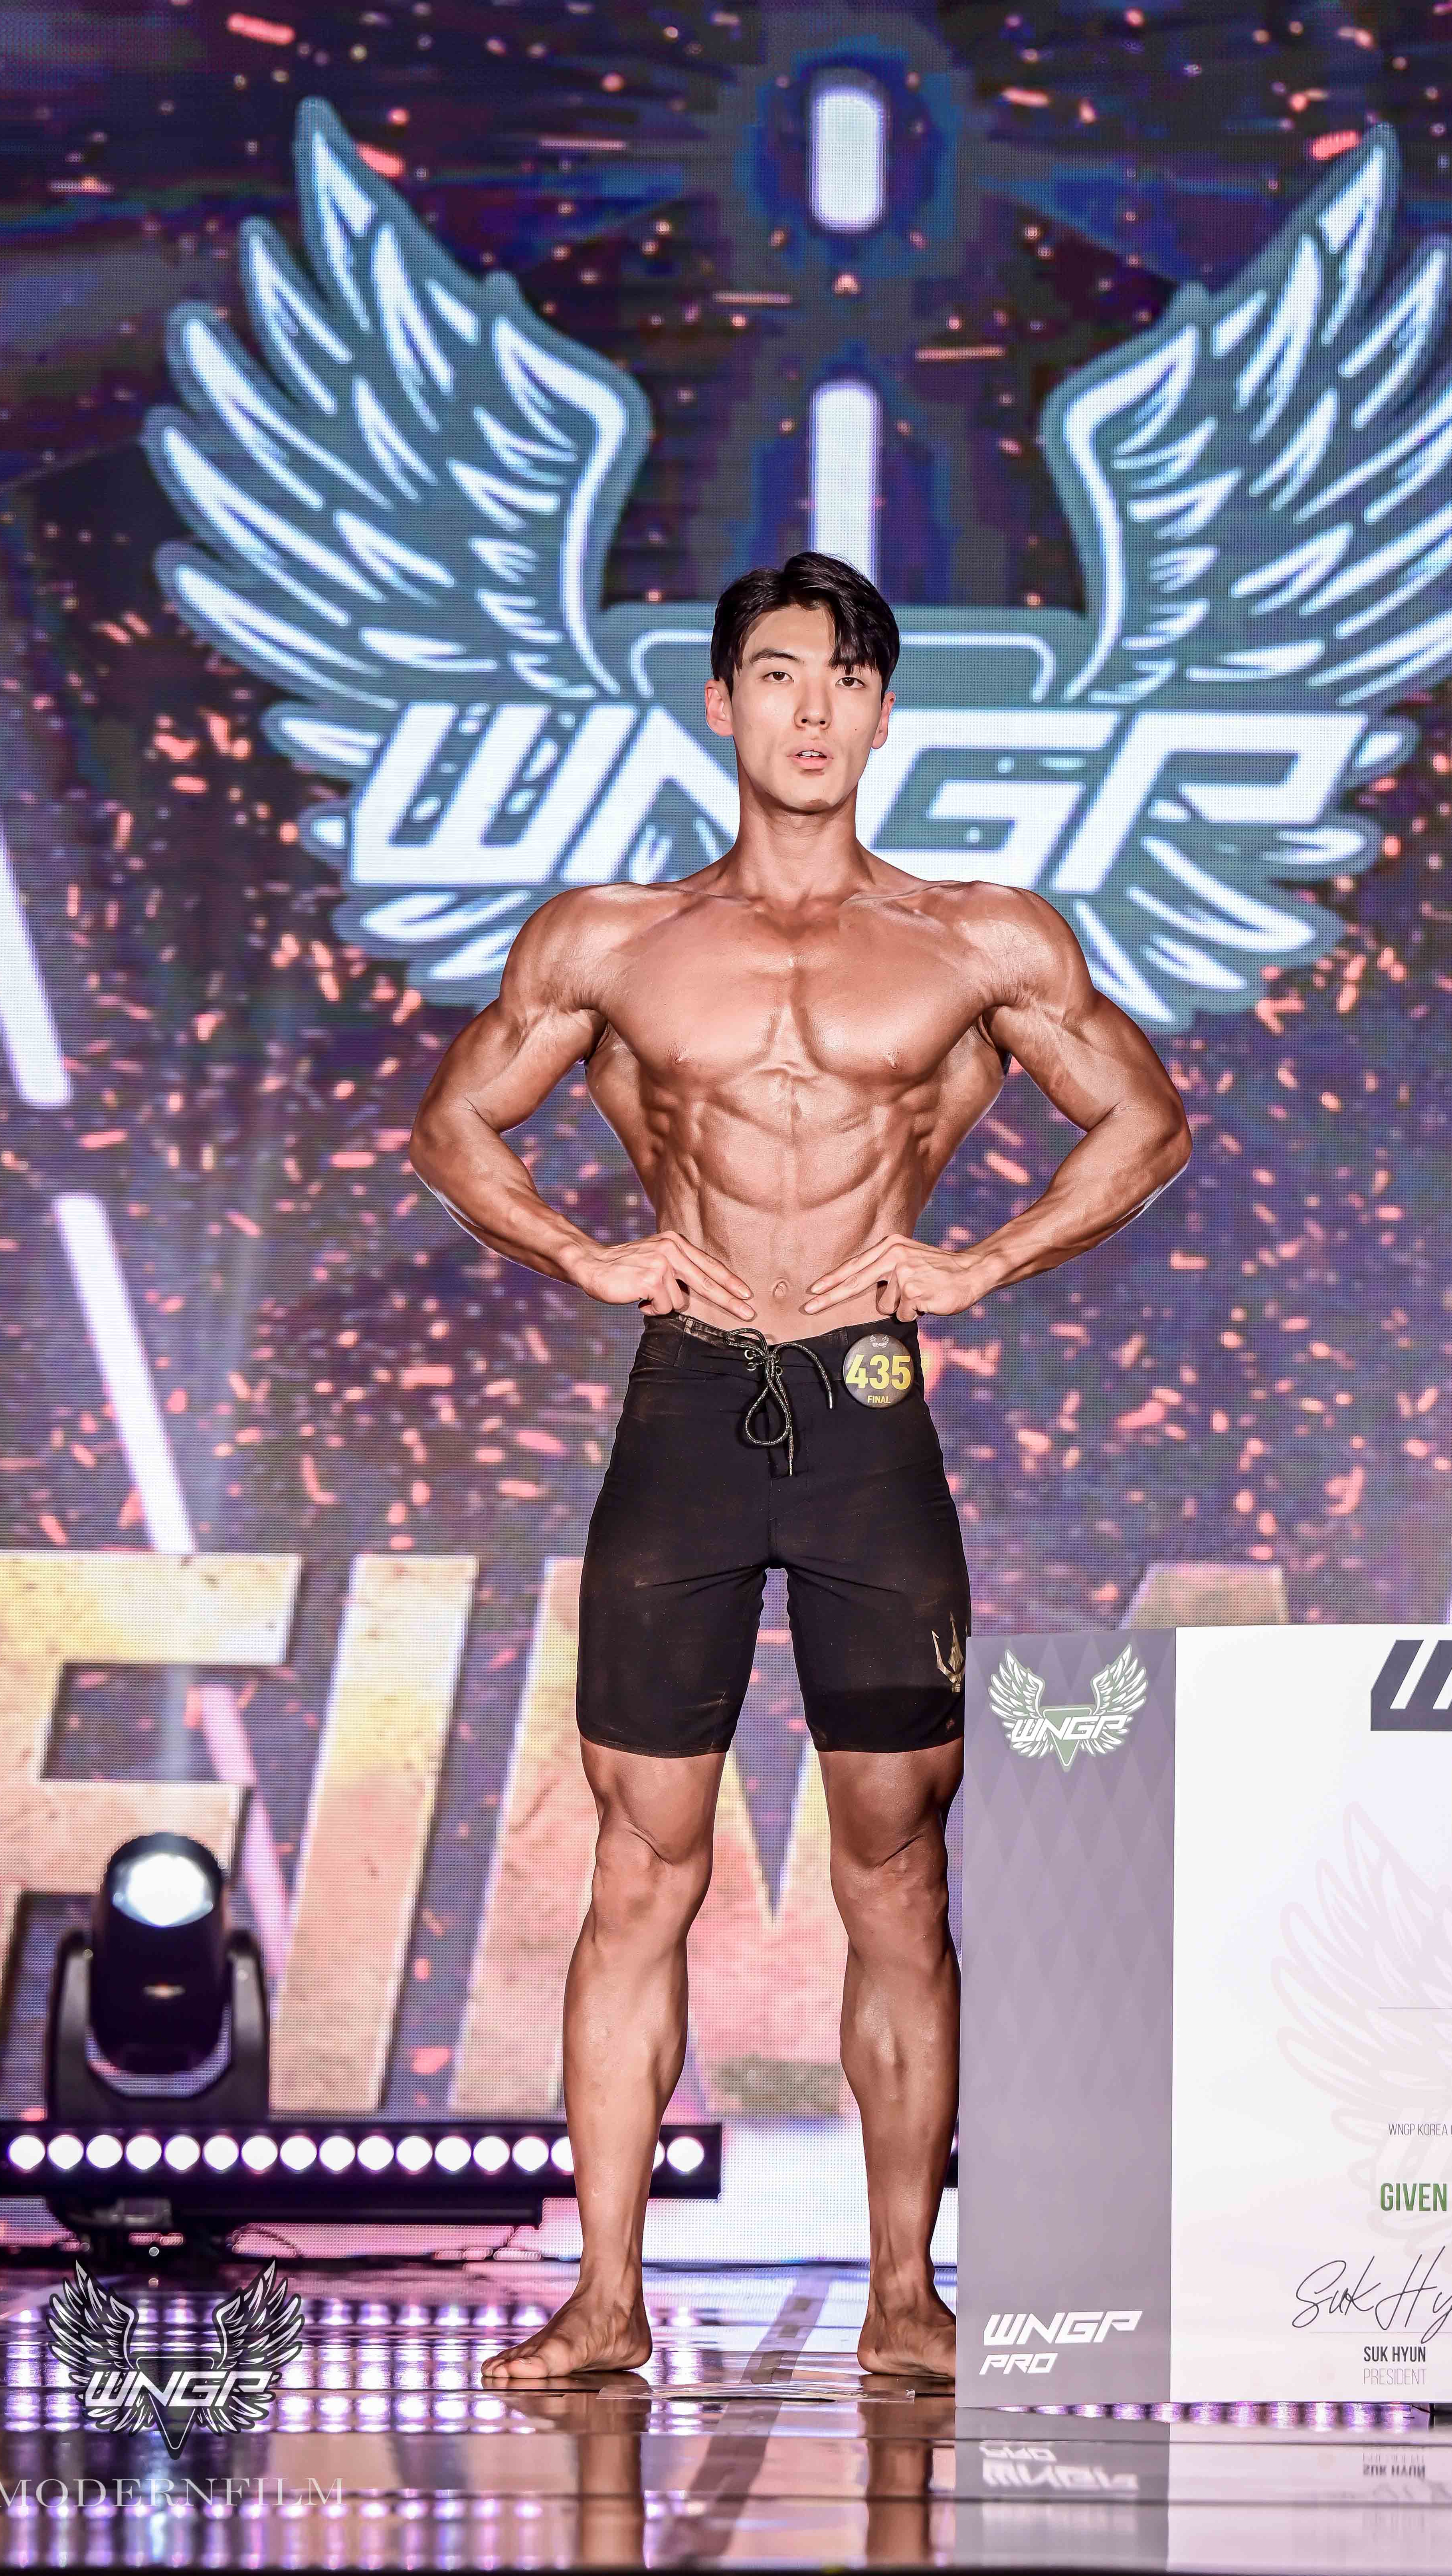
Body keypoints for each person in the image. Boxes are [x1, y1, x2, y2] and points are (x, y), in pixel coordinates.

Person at [408, 551, 1191, 2382]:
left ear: (886, 709)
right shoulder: (609, 938)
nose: (813, 707)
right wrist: (578, 1253)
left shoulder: (978, 938)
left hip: (865, 1415)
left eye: (845, 675)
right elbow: (454, 1123)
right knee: (638, 1866)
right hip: (685, 1409)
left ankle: (906, 2292)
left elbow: (1144, 1121)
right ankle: (605, 2297)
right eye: (777, 672)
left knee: (896, 1869)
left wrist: (984, 1261)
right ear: (720, 702)